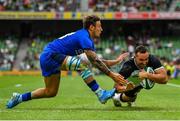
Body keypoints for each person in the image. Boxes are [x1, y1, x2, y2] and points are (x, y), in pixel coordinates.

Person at [6, 15, 128, 109]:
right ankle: (100, 93)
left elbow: (97, 61)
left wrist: (116, 61)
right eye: (99, 26)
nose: (101, 29)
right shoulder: (84, 37)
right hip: (51, 55)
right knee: (81, 65)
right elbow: (95, 61)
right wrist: (112, 75)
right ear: (91, 27)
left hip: (50, 57)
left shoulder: (86, 40)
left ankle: (20, 98)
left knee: (50, 92)